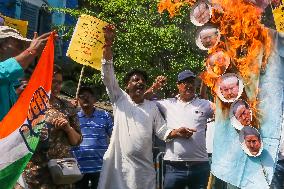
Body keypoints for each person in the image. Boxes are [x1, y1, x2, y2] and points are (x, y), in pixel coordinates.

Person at [97, 25, 193, 189]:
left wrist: (177, 132)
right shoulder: (120, 100)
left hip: (144, 170)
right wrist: (108, 43)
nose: (140, 82)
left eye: (142, 80)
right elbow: (107, 74)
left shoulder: (152, 107)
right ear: (127, 86)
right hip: (120, 168)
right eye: (135, 80)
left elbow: (162, 131)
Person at [145, 70, 214, 189]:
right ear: (178, 85)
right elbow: (143, 99)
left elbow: (224, 111)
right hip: (174, 167)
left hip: (200, 166)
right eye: (185, 82)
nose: (189, 85)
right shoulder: (167, 103)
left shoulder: (205, 104)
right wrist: (155, 86)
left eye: (192, 82)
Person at [23, 65, 82, 189]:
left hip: (62, 172)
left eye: (59, 82)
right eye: (53, 81)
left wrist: (68, 129)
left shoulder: (67, 107)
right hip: (37, 172)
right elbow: (17, 139)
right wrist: (33, 133)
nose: (56, 86)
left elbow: (77, 141)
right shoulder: (28, 106)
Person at [0, 26, 52, 121]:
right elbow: (5, 71)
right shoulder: (5, 75)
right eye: (19, 46)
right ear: (1, 47)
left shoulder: (11, 84)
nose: (23, 51)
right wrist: (32, 51)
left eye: (25, 48)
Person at [72, 86, 113, 189]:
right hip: (78, 168)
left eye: (89, 96)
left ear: (94, 99)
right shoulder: (72, 116)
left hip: (100, 167)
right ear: (78, 100)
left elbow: (113, 137)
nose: (86, 98)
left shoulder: (105, 115)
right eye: (82, 96)